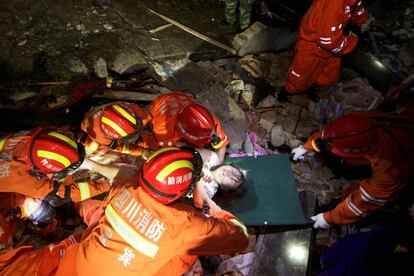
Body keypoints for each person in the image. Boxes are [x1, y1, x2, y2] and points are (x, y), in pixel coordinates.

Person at [56, 147, 249, 276]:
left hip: (81, 260)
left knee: (96, 212)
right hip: (102, 265)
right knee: (187, 254)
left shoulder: (127, 186)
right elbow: (240, 238)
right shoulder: (184, 224)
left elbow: (106, 211)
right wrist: (212, 208)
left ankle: (70, 211)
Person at [292, 111, 414, 228]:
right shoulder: (357, 123)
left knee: (388, 204)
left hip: (407, 167)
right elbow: (331, 137)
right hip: (401, 130)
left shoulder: (389, 168)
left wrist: (329, 218)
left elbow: (366, 202)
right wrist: (306, 147)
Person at [278, 0, 374, 103]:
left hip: (333, 42)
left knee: (328, 77)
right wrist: (353, 41)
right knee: (299, 77)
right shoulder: (333, 5)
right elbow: (327, 40)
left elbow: (356, 7)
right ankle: (286, 92)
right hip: (313, 46)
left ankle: (308, 87)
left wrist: (364, 19)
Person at [0, 128, 111, 206]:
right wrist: (107, 184)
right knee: (56, 201)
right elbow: (67, 193)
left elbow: (71, 138)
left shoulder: (43, 136)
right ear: (41, 171)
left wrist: (103, 150)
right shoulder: (27, 182)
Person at [149, 92, 229, 163]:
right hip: (161, 102)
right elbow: (165, 151)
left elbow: (222, 144)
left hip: (183, 98)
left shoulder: (211, 122)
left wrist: (219, 163)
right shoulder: (163, 129)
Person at [80, 101, 157, 158]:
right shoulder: (99, 137)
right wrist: (141, 151)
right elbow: (120, 148)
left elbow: (146, 120)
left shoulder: (135, 110)